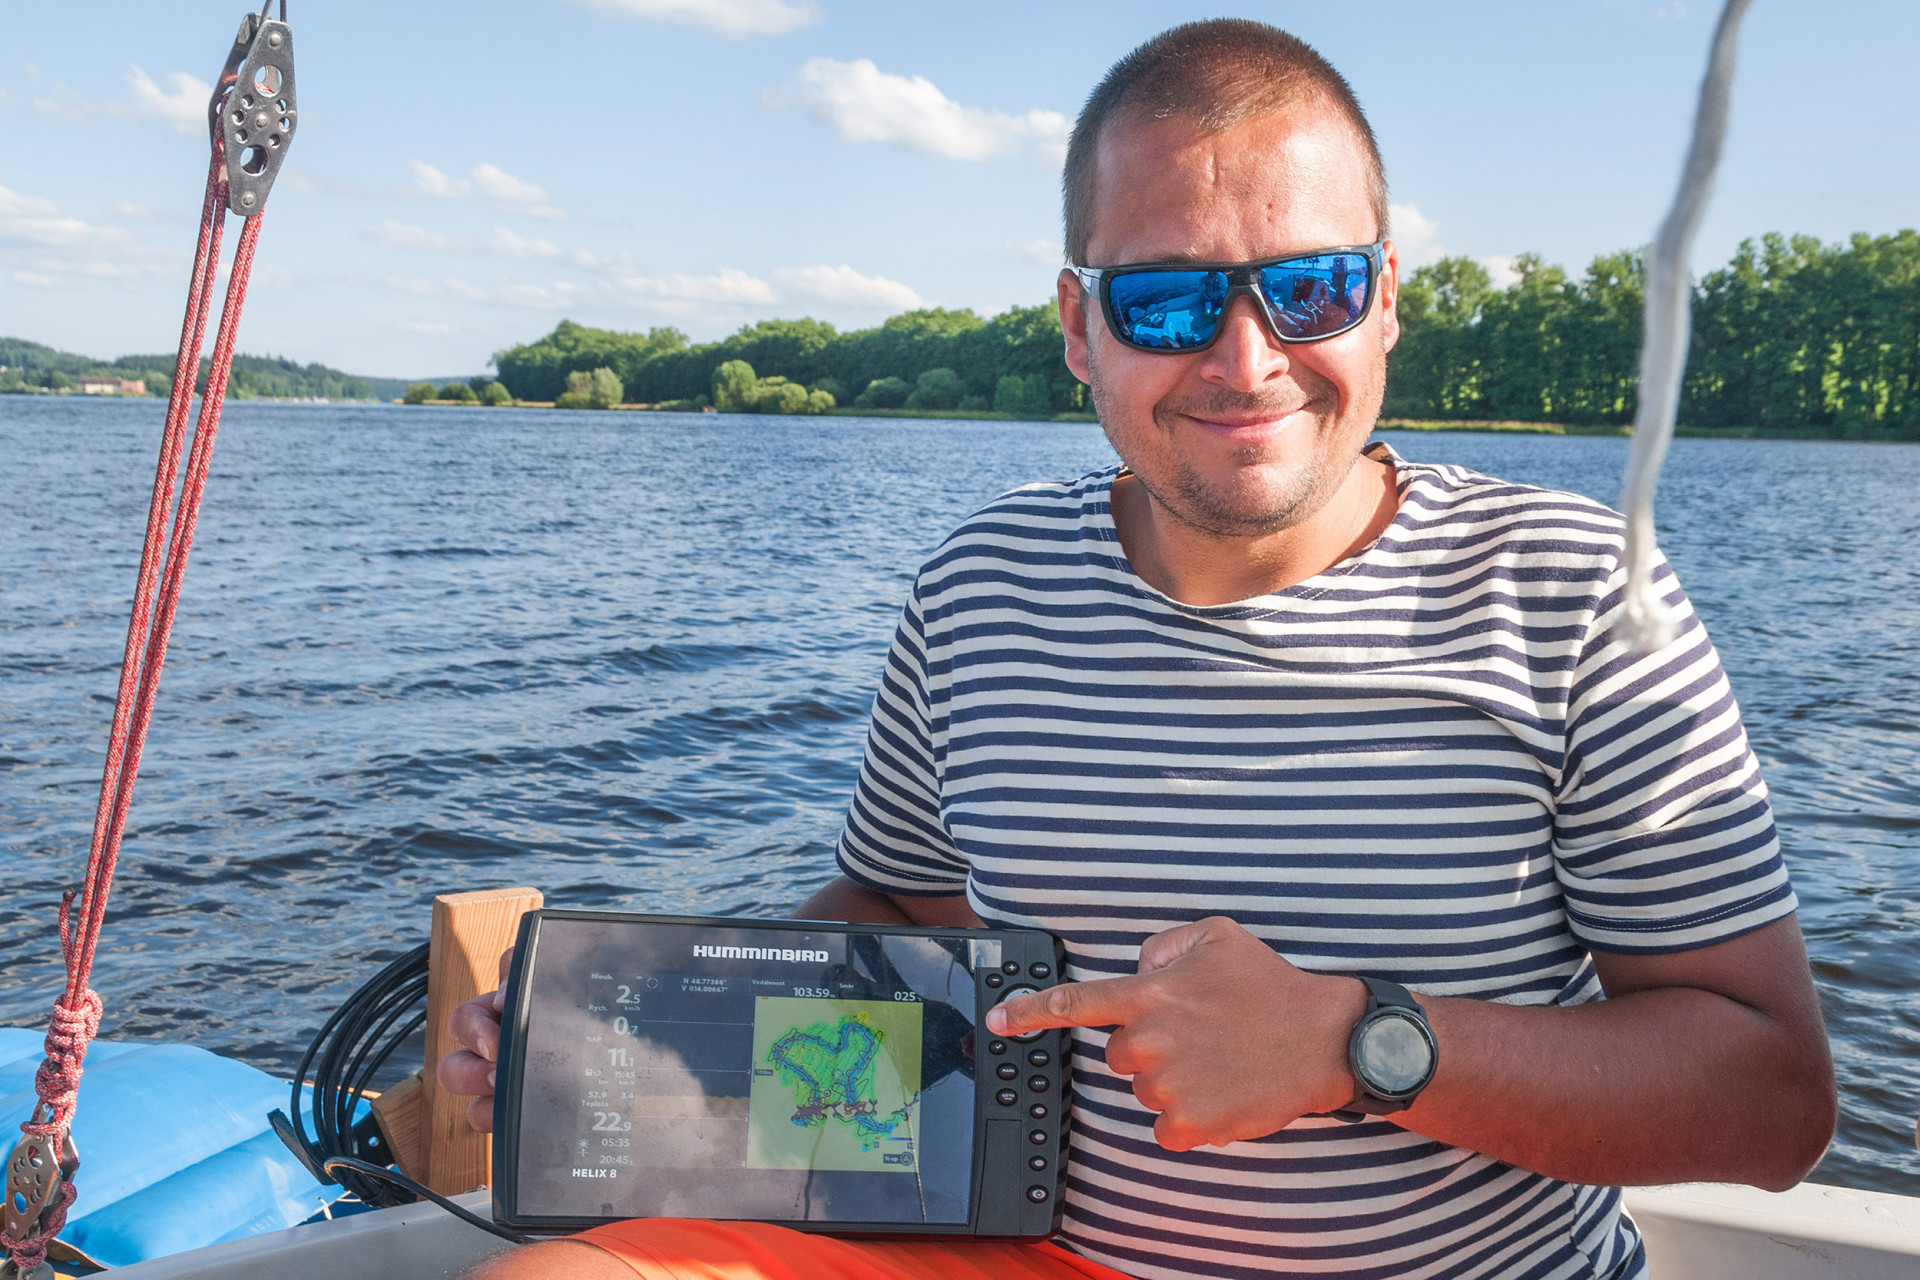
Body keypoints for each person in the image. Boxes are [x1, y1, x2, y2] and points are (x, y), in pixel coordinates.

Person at [437, 19, 1836, 1280]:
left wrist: (1352, 1044)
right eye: (1166, 300)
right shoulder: (980, 586)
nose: (1246, 358)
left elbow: (1771, 1103)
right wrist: (645, 1040)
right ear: (1078, 327)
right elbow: (897, 909)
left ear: (1387, 298)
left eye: (1314, 287)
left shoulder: (1573, 593)